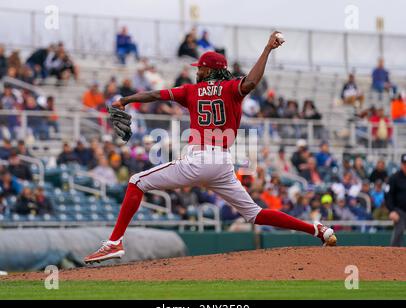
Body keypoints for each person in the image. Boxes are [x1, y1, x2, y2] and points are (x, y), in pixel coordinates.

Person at [85, 32, 336, 264]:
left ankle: (114, 242)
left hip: (199, 159)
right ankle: (317, 229)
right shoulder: (230, 89)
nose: (197, 71)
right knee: (255, 213)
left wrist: (126, 100)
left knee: (137, 181)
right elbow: (251, 82)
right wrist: (267, 50)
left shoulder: (191, 91)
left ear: (209, 69)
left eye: (201, 67)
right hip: (223, 164)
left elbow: (154, 95)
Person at [384, 154, 406, 246]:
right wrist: (391, 210)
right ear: (401, 164)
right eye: (405, 164)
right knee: (399, 230)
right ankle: (393, 253)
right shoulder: (394, 178)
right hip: (399, 211)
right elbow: (387, 194)